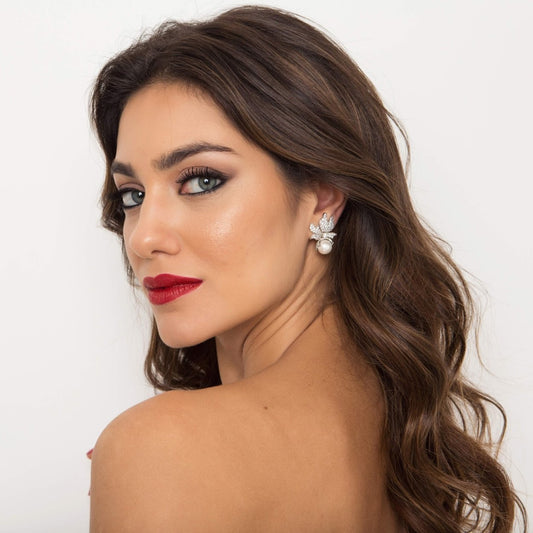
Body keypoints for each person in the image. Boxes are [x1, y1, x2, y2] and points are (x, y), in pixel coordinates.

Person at [89, 6, 526, 532]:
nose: (143, 237)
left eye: (201, 180)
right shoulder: (403, 429)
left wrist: (150, 464)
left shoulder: (165, 449)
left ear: (323, 196)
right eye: (132, 195)